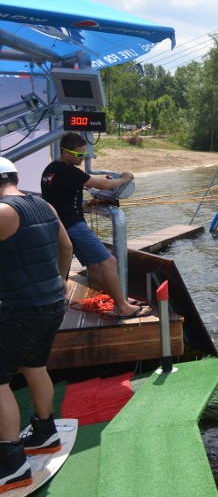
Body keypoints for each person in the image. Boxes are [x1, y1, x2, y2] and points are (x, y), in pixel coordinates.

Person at [0, 156, 73, 492]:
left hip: (18, 310)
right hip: (51, 304)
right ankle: (45, 433)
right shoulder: (43, 205)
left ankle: (12, 465)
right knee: (35, 366)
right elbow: (67, 246)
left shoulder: (3, 212)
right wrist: (58, 283)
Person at [40, 132, 150, 319]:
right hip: (73, 226)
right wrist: (123, 179)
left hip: (59, 227)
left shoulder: (51, 170)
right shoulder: (68, 171)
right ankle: (123, 307)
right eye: (79, 155)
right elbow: (100, 184)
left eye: (85, 154)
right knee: (109, 261)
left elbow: (71, 189)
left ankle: (119, 298)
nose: (82, 159)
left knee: (94, 266)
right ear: (65, 153)